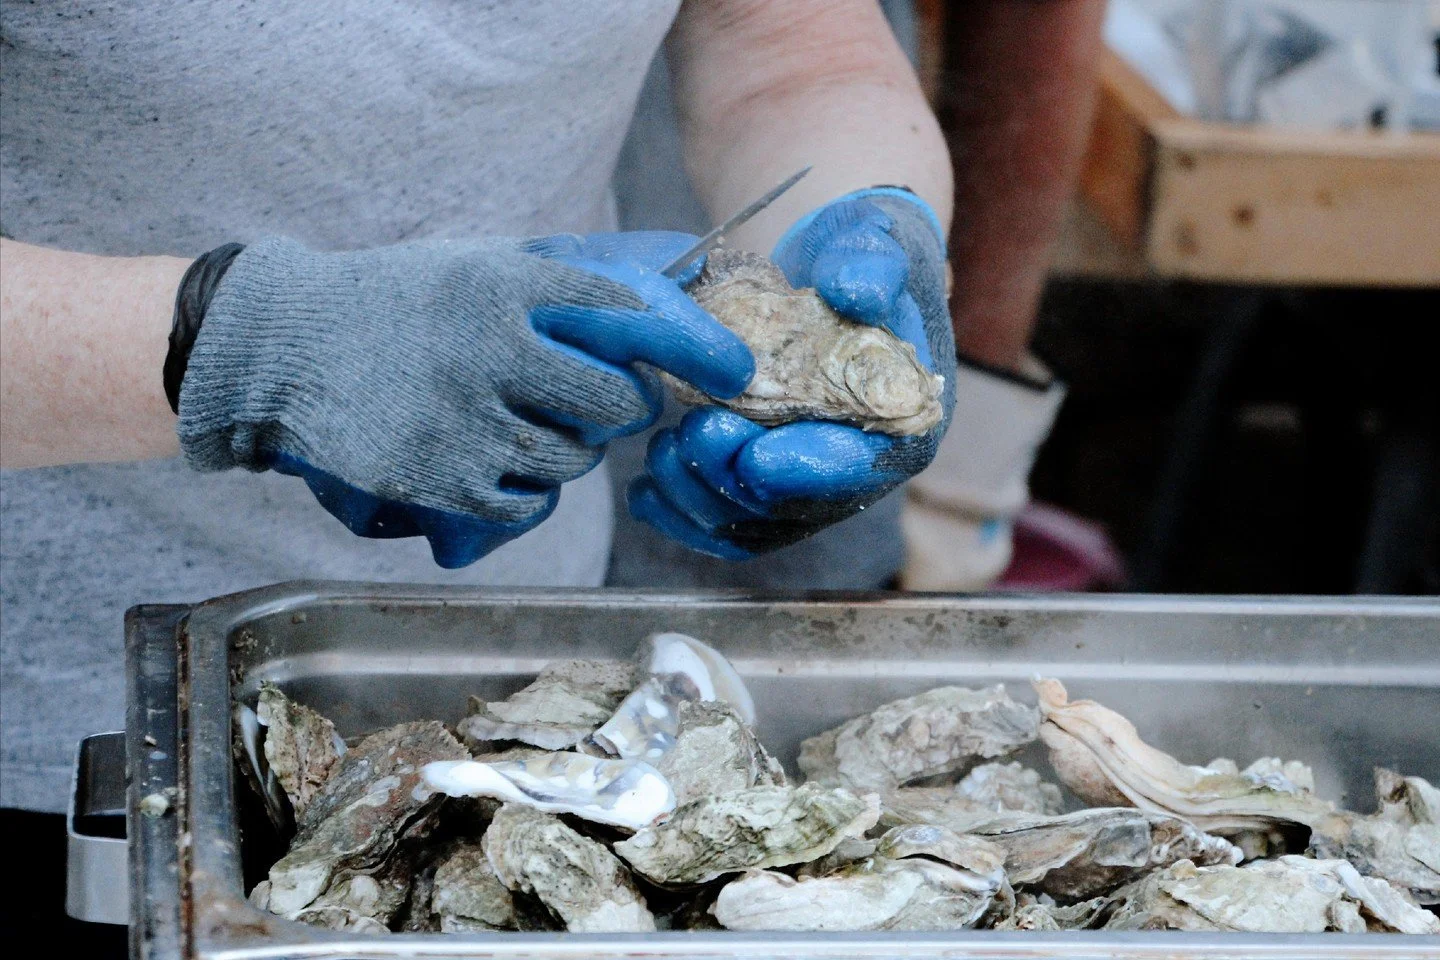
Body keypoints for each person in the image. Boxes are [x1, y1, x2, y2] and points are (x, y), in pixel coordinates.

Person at [0, 0, 1104, 939]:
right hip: (39, 706)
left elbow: (788, 44)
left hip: (514, 697)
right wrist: (243, 347)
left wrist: (857, 248)